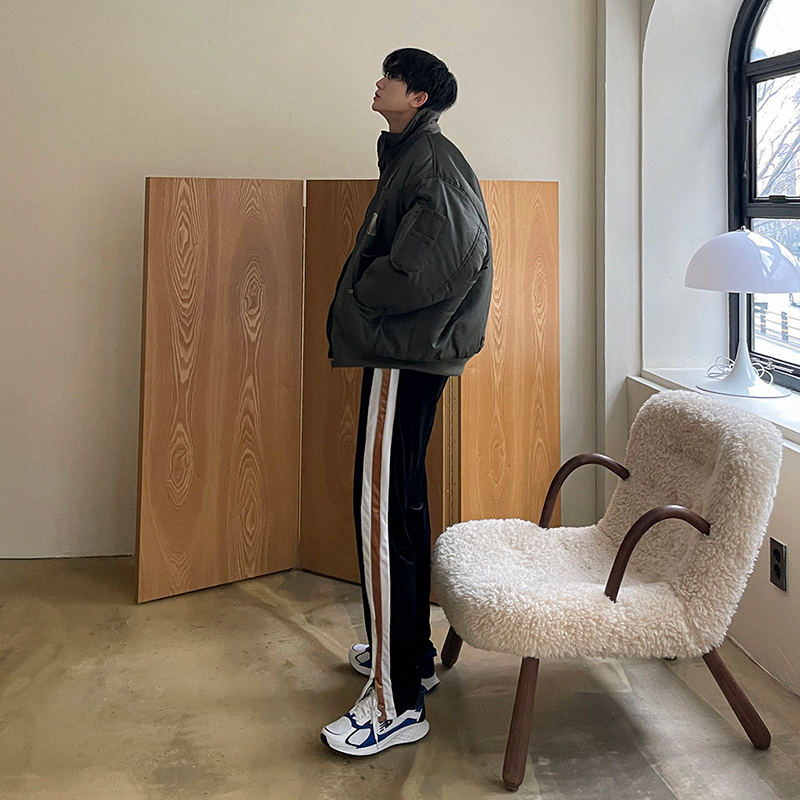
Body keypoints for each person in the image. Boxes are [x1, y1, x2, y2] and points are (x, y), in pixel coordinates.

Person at [322, 47, 493, 756]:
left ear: (418, 96)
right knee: (400, 505)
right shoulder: (413, 156)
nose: (379, 81)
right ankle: (410, 656)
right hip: (409, 352)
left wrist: (362, 290)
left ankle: (395, 703)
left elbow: (440, 260)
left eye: (391, 75)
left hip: (403, 354)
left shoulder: (430, 162)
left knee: (380, 512)